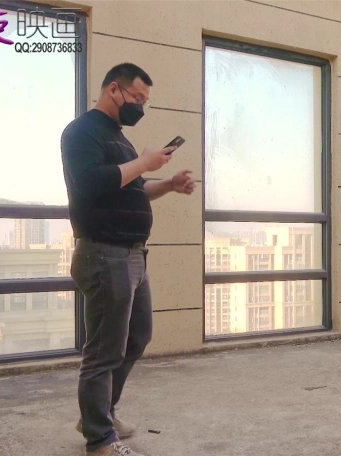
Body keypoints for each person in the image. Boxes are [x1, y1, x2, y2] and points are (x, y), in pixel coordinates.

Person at [61, 63, 196, 456]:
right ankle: (100, 440)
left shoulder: (119, 139)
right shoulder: (81, 131)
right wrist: (145, 162)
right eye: (137, 98)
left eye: (145, 101)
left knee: (137, 337)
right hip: (104, 253)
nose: (141, 106)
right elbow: (91, 184)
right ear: (114, 90)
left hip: (133, 255)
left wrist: (168, 184)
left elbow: (130, 187)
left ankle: (99, 414)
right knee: (103, 351)